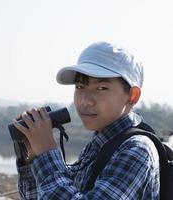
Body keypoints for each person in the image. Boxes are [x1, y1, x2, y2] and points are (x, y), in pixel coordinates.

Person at [12, 42, 160, 199]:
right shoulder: (99, 146)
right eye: (80, 87)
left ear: (132, 96)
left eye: (101, 88)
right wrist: (34, 157)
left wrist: (47, 153)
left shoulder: (136, 150)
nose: (85, 101)